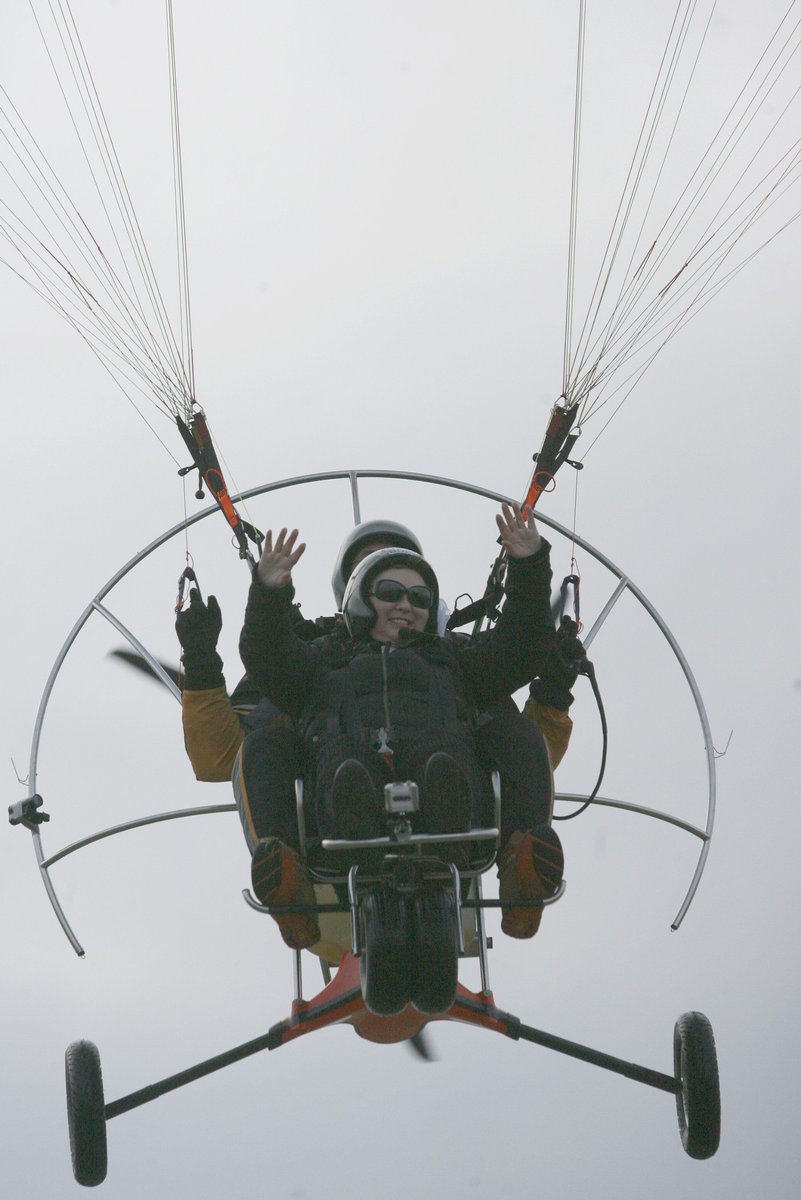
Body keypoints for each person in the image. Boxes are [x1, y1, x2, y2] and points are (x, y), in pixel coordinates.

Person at [237, 504, 566, 950]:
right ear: (359, 599)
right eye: (390, 592)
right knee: (275, 744)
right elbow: (268, 658)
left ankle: (522, 863)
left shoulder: (455, 659)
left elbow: (519, 648)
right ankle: (286, 875)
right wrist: (270, 592)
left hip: (447, 778)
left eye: (420, 598)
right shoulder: (322, 661)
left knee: (510, 735)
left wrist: (529, 569)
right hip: (342, 781)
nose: (405, 605)